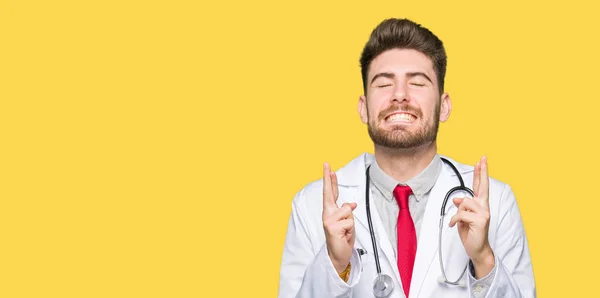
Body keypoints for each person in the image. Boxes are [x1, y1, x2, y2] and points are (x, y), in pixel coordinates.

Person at [277, 18, 535, 298]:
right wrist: (336, 266)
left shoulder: (497, 202)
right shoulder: (311, 206)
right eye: (384, 84)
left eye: (417, 83)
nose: (400, 96)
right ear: (363, 108)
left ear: (444, 106)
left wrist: (484, 259)